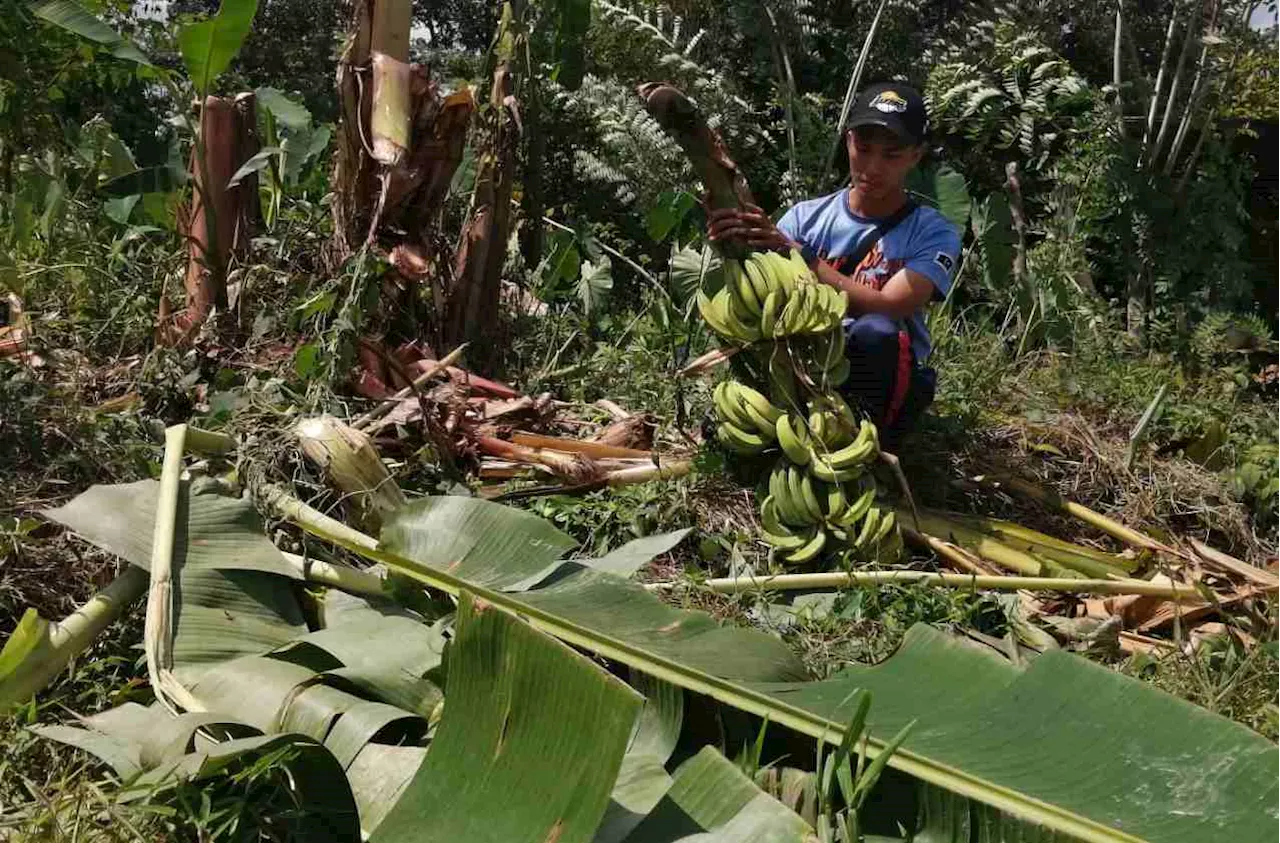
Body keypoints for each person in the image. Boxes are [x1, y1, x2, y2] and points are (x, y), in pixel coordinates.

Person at [708, 82, 961, 451]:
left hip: (882, 376)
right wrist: (733, 243)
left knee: (876, 330)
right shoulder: (805, 218)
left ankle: (874, 445)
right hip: (808, 366)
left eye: (891, 155)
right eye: (863, 148)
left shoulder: (933, 232)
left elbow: (892, 306)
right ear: (847, 141)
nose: (872, 167)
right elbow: (768, 293)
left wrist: (801, 256)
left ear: (916, 156)